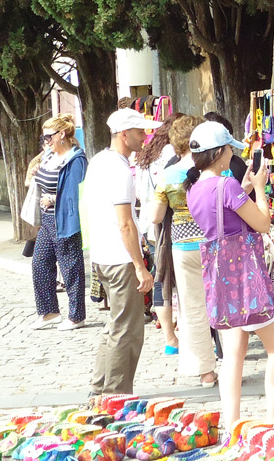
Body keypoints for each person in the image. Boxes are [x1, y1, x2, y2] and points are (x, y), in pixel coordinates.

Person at [185, 120, 274, 430]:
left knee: (232, 355)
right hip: (246, 276)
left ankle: (232, 426)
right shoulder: (226, 185)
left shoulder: (194, 190)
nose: (232, 153)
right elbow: (262, 223)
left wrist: (241, 191)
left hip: (220, 280)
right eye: (229, 149)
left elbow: (222, 218)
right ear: (219, 154)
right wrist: (258, 187)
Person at [84, 108, 159, 396]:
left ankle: (101, 389)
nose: (144, 138)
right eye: (140, 133)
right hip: (119, 257)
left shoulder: (99, 161)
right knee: (127, 330)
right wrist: (139, 266)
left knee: (116, 326)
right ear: (124, 135)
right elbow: (125, 223)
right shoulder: (117, 168)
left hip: (104, 255)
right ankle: (115, 394)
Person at [151, 115, 219, 386]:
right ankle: (232, 361)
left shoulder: (167, 175)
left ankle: (206, 372)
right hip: (212, 242)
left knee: (192, 310)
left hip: (182, 246)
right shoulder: (212, 169)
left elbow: (155, 216)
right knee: (222, 303)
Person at [29, 114, 88, 330]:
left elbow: (75, 191)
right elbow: (40, 178)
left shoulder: (76, 159)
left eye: (48, 137)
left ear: (61, 134)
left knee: (71, 267)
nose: (46, 142)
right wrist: (36, 174)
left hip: (65, 219)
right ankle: (49, 311)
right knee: (39, 263)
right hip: (47, 219)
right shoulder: (48, 156)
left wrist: (53, 198)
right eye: (44, 138)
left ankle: (76, 315)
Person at [136, 113, 185, 355]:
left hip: (150, 224)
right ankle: (185, 330)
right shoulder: (173, 155)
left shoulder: (147, 155)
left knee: (162, 280)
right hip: (173, 223)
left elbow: (139, 193)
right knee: (183, 281)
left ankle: (170, 338)